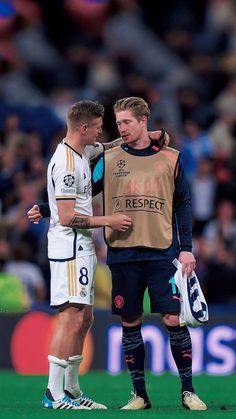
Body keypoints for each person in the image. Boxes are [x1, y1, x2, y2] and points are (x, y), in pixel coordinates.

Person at [90, 97, 207, 411]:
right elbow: (80, 189)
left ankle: (188, 391)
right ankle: (139, 395)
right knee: (130, 321)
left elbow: (183, 203)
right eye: (118, 123)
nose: (122, 128)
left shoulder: (171, 157)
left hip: (162, 251)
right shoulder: (109, 156)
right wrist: (50, 208)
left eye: (127, 122)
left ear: (145, 122)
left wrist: (186, 250)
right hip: (123, 253)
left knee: (173, 318)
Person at [31, 100, 133, 410]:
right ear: (84, 128)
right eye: (99, 127)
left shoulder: (83, 151)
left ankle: (73, 390)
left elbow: (107, 147)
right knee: (71, 318)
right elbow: (66, 216)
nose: (103, 132)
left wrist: (140, 136)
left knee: (85, 317)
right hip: (70, 247)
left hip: (83, 247)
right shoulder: (65, 162)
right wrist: (108, 220)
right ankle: (53, 393)